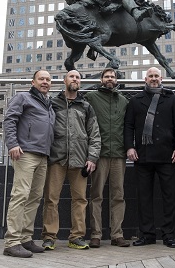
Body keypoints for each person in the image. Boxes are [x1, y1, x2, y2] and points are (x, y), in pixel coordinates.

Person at [124, 67, 175, 248]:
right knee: (143, 198)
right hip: (142, 155)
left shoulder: (172, 99)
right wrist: (129, 147)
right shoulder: (136, 100)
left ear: (162, 78)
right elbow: (128, 126)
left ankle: (169, 235)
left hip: (167, 155)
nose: (153, 79)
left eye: (156, 76)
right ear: (145, 79)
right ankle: (147, 234)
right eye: (150, 76)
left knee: (170, 197)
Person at [41, 70, 101, 251]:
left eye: (77, 77)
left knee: (80, 200)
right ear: (65, 80)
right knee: (51, 199)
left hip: (80, 160)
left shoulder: (86, 105)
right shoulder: (53, 103)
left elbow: (94, 133)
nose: (75, 79)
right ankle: (49, 237)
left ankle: (77, 237)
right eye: (71, 77)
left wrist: (92, 157)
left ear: (80, 83)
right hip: (56, 158)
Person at [2, 70, 56, 258]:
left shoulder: (48, 104)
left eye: (48, 80)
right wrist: (13, 144)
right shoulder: (23, 97)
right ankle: (12, 242)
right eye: (41, 79)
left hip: (43, 155)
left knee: (34, 198)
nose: (45, 82)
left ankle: (25, 238)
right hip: (25, 153)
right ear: (33, 82)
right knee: (20, 195)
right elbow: (9, 120)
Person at [84, 68, 131, 248]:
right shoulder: (91, 97)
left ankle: (117, 234)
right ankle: (95, 234)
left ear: (116, 80)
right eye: (106, 76)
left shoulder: (124, 101)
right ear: (101, 79)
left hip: (119, 154)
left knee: (118, 196)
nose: (109, 79)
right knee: (96, 195)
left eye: (112, 76)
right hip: (99, 154)